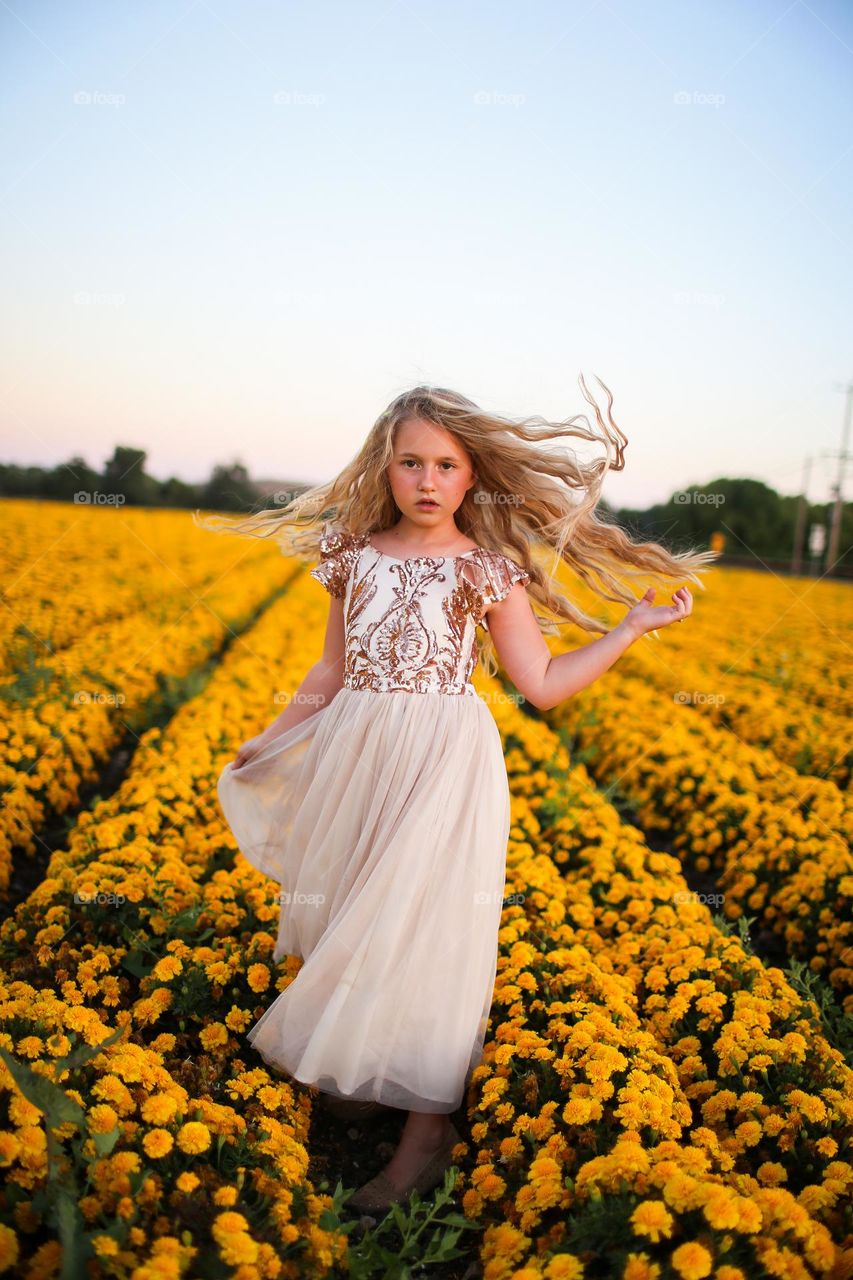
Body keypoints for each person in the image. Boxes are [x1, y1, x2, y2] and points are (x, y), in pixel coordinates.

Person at [197, 377, 717, 1214]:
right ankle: (367, 1074)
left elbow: (540, 684)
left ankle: (424, 1137)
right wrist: (272, 731)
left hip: (444, 760)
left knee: (426, 934)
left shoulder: (484, 569)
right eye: (411, 462)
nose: (427, 481)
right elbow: (331, 668)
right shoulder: (353, 554)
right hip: (356, 751)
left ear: (472, 477)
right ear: (386, 465)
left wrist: (622, 631)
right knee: (353, 913)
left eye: (445, 464)